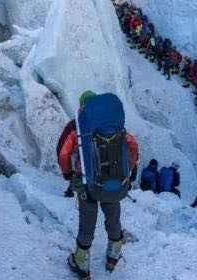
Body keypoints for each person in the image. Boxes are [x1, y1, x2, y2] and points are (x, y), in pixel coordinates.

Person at [58, 92, 138, 278]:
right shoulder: (115, 126)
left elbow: (63, 153)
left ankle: (82, 263)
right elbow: (133, 146)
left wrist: (68, 173)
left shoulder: (76, 126)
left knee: (87, 222)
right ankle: (114, 254)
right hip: (114, 180)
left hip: (86, 182)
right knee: (113, 213)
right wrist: (128, 171)